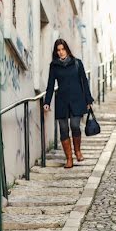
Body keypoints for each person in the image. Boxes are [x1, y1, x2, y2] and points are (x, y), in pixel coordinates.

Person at [43, 39, 94, 169]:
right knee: (63, 129)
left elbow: (84, 82)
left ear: (67, 49)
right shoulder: (54, 66)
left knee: (75, 125)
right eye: (58, 50)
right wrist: (47, 102)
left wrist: (88, 100)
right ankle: (69, 159)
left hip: (77, 99)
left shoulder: (77, 63)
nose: (61, 52)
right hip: (62, 101)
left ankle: (77, 151)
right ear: (56, 52)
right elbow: (50, 85)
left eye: (62, 49)